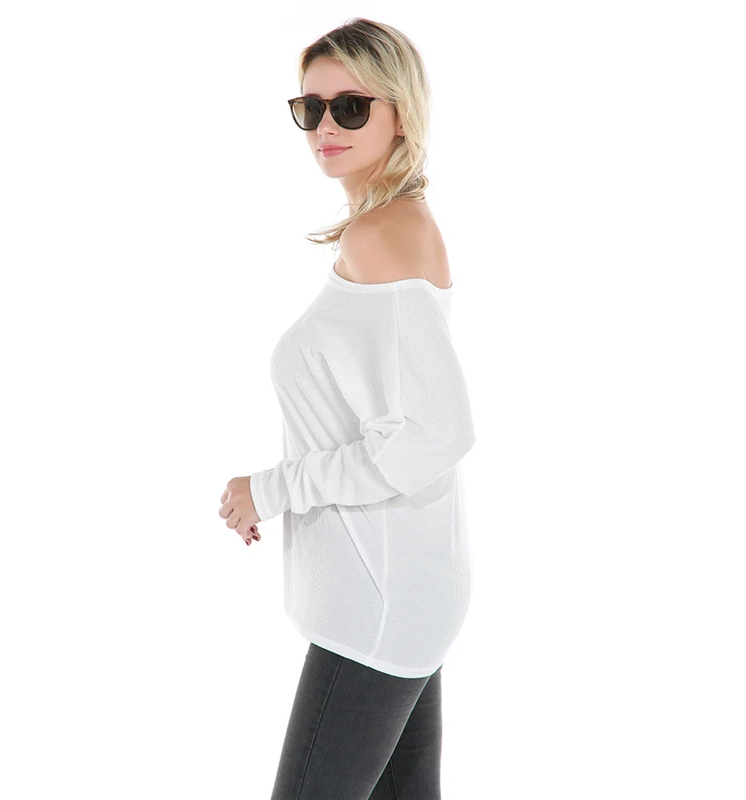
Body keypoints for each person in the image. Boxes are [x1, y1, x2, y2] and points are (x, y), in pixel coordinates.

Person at [218, 17, 476, 800]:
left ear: (400, 111)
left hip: (380, 603)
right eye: (310, 108)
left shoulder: (382, 235)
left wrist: (271, 489)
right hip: (402, 593)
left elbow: (433, 433)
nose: (325, 127)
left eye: (351, 107)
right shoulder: (387, 227)